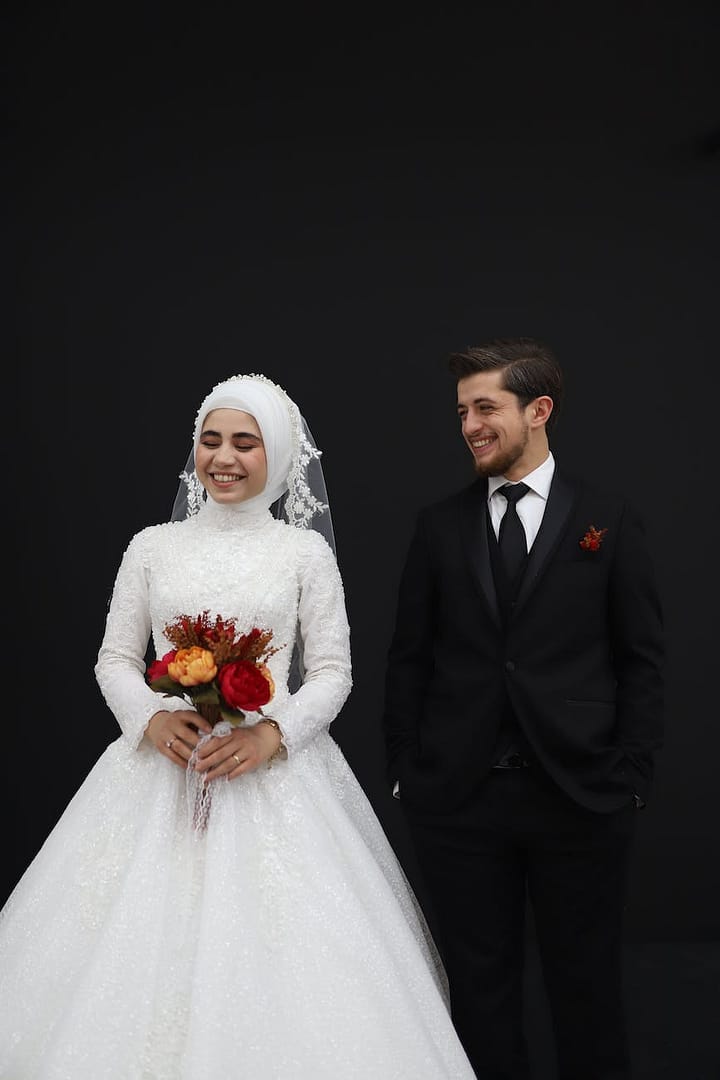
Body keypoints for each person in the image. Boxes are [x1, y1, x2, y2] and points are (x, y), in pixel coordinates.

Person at [0, 372, 476, 1079]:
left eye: (245, 443)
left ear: (278, 455)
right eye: (210, 440)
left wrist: (272, 734)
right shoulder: (151, 546)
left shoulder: (302, 553)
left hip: (269, 775)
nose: (224, 458)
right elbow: (116, 658)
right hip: (159, 770)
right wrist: (150, 721)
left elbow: (334, 673)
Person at [381, 338, 665, 1080]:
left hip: (581, 792)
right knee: (477, 993)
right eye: (462, 412)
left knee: (587, 988)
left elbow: (642, 658)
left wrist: (630, 774)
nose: (470, 424)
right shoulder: (437, 526)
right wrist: (408, 769)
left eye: (486, 408)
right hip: (460, 798)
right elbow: (408, 656)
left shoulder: (610, 518)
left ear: (537, 411)